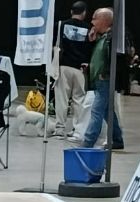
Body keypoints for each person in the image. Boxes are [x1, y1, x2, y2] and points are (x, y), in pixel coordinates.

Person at [82, 7, 124, 151]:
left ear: (104, 20)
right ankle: (117, 139)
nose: (92, 21)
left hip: (105, 80)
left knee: (96, 111)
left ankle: (88, 142)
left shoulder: (113, 38)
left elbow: (118, 60)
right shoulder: (102, 38)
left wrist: (107, 73)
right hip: (99, 81)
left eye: (95, 18)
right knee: (107, 112)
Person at [54, 1, 91, 139]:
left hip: (63, 66)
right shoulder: (89, 28)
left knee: (61, 98)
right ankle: (77, 130)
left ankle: (59, 129)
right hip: (80, 68)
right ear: (84, 13)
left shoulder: (61, 25)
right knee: (79, 100)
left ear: (71, 11)